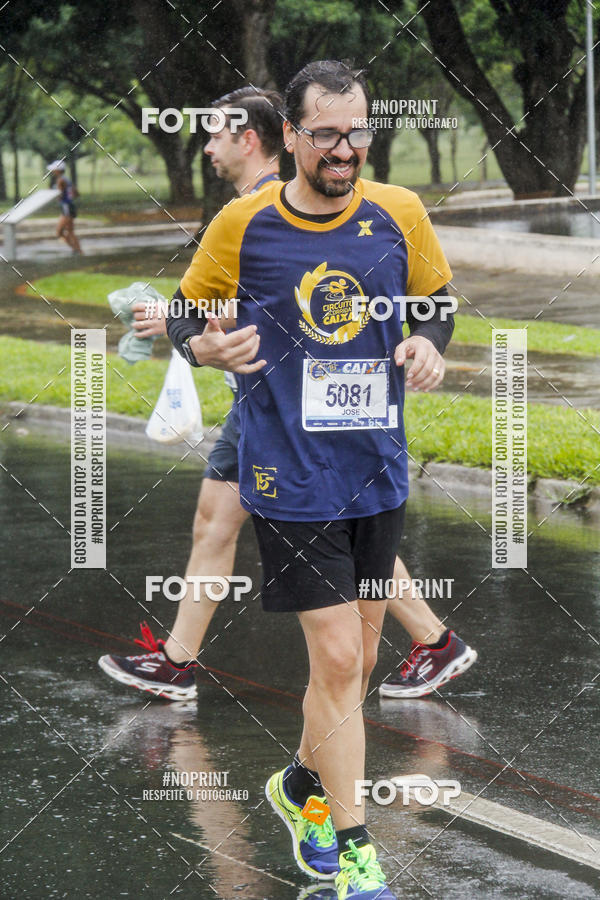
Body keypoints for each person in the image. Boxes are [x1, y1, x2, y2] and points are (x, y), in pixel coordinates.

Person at [164, 59, 462, 899]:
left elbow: (435, 297)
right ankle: (356, 851)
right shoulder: (244, 222)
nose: (344, 149)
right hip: (286, 471)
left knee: (359, 659)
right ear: (290, 135)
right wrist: (205, 345)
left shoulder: (399, 212)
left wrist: (430, 341)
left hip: (375, 470)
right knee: (336, 656)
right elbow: (188, 311)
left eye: (357, 131)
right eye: (326, 133)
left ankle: (300, 785)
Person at [99, 86, 476, 708]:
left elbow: (291, 308)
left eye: (217, 134)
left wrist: (426, 338)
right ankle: (179, 662)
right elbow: (229, 310)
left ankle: (429, 644)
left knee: (299, 528)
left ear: (252, 138)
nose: (209, 146)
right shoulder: (245, 212)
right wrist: (183, 327)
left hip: (284, 407)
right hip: (269, 403)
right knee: (222, 524)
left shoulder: (289, 205)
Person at [47, 160, 82, 254]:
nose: (52, 171)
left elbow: (60, 195)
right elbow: (77, 193)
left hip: (66, 208)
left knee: (59, 232)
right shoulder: (67, 179)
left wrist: (54, 195)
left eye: (54, 170)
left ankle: (77, 250)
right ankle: (78, 251)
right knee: (70, 231)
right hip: (70, 206)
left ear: (58, 170)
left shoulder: (60, 180)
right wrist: (69, 197)